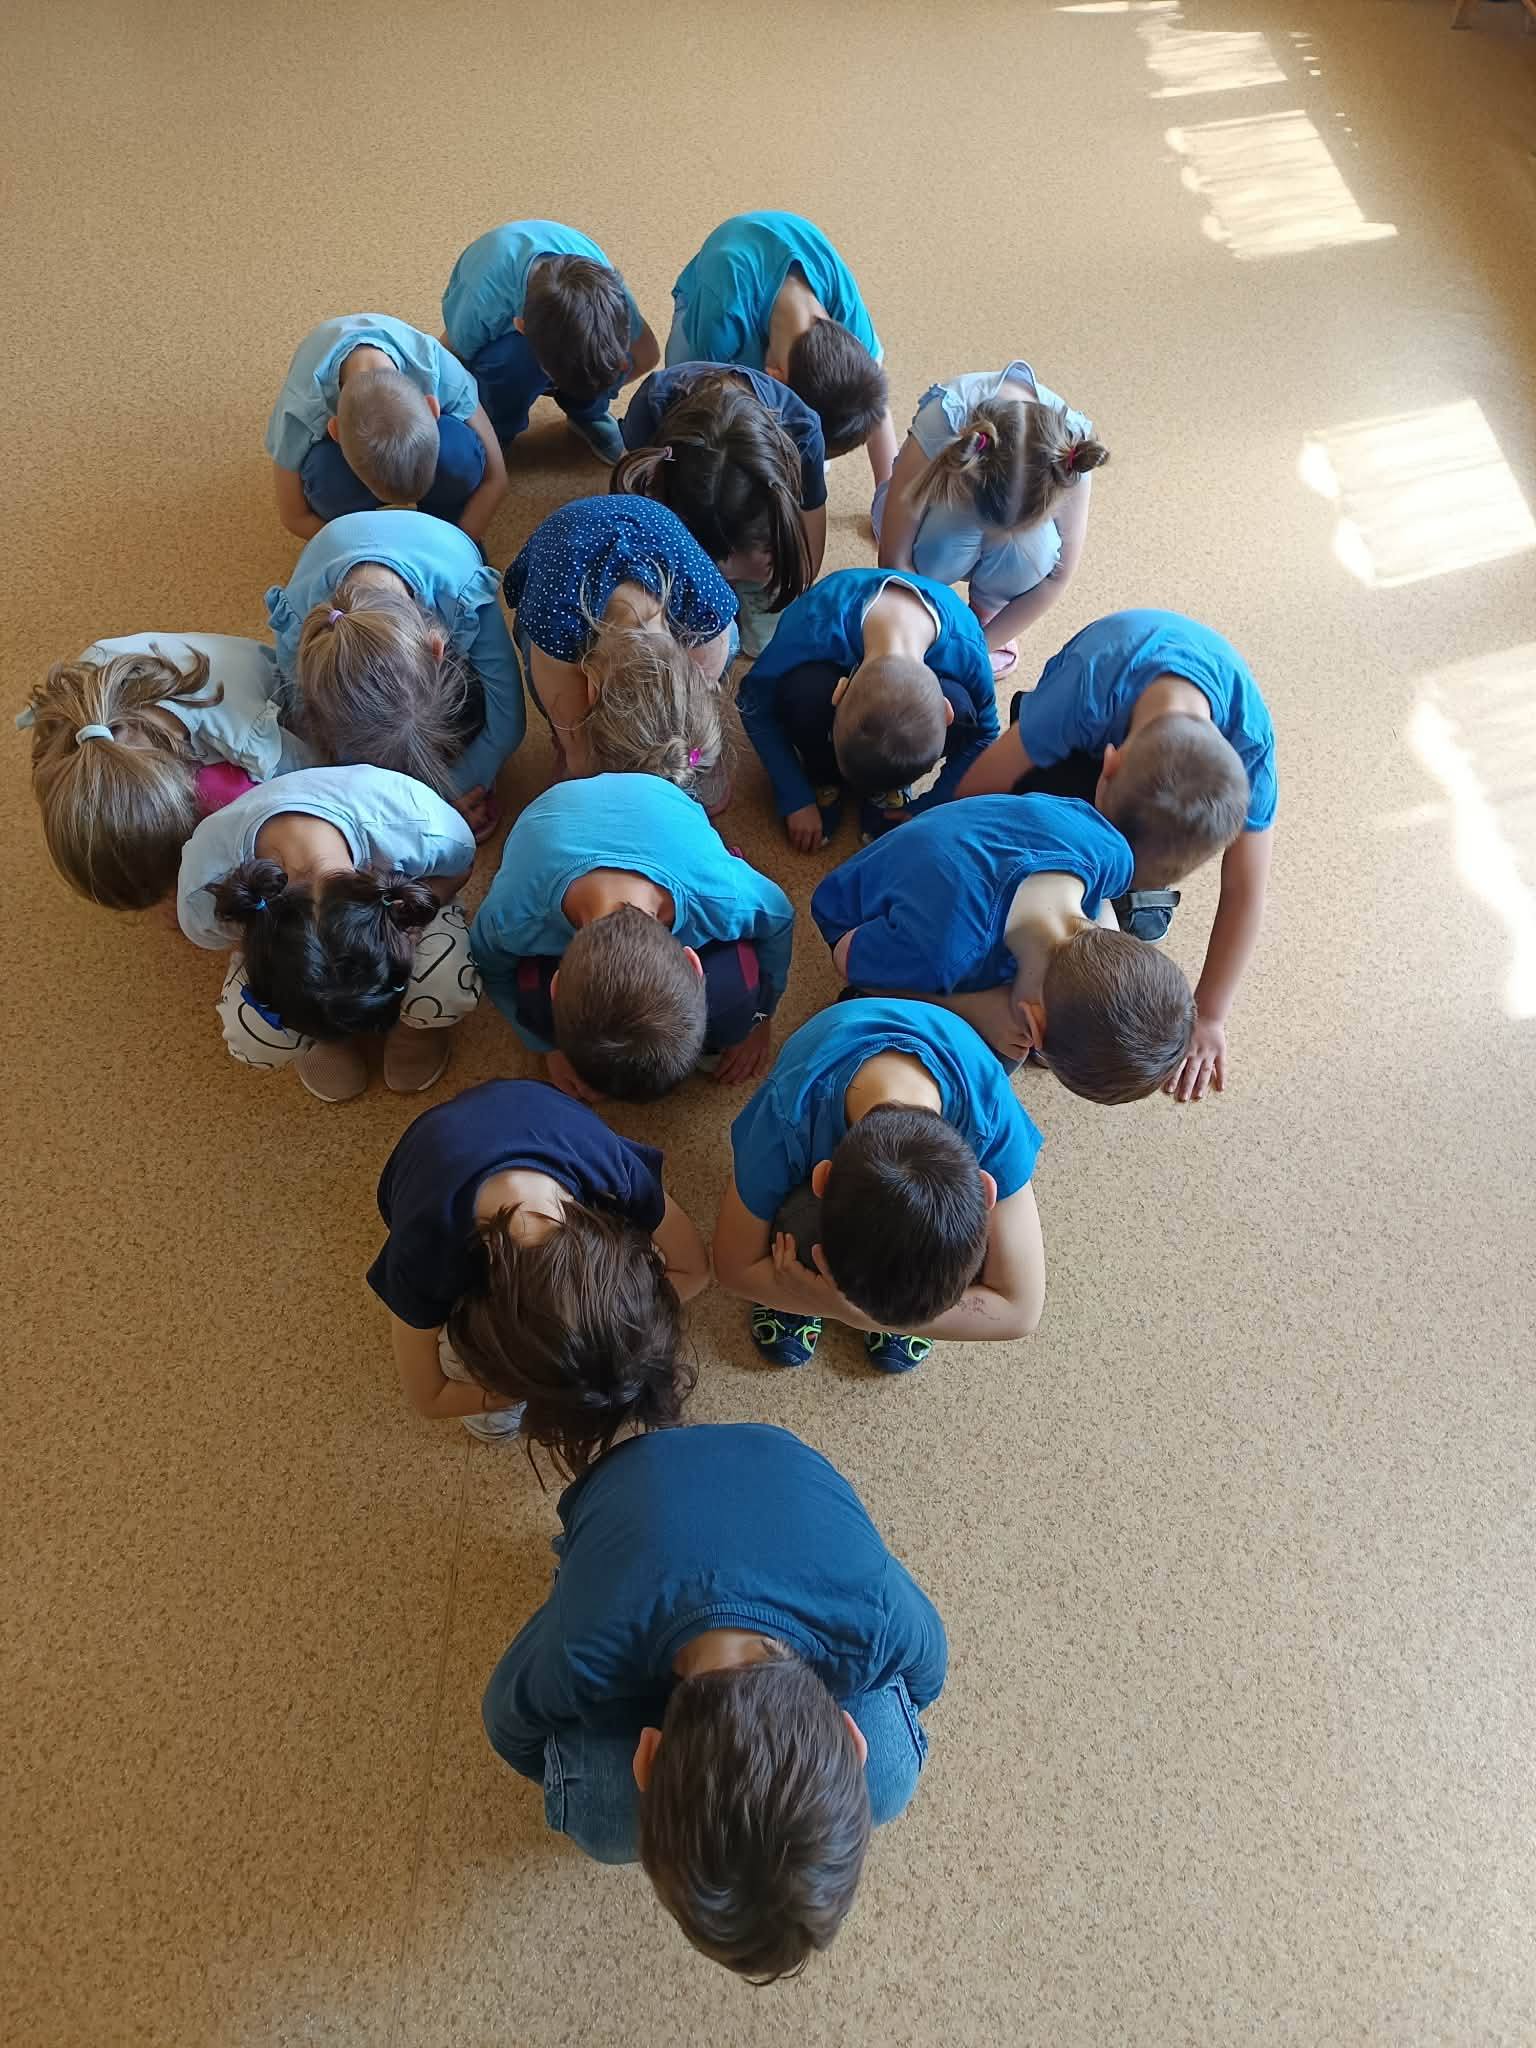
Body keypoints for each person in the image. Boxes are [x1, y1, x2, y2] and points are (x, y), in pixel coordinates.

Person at [482, 1421, 946, 1980]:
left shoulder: (876, 1618)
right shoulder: (588, 1644)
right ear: (643, 1757)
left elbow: (929, 1671)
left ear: (853, 1733)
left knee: (888, 1770)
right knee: (605, 1814)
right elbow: (507, 1725)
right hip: (637, 1485)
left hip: (766, 1467)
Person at [956, 610, 1275, 1102]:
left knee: (1126, 914)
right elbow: (976, 793)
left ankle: (1140, 887)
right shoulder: (1085, 693)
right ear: (1109, 766)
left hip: (1136, 757)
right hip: (1075, 738)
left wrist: (1210, 1014)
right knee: (1026, 819)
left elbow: (1245, 892)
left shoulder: (1251, 754)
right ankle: (1119, 874)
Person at [367, 1079, 708, 1453]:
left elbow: (695, 1270)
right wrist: (500, 1398)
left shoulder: (609, 1165)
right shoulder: (424, 1252)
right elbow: (429, 1397)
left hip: (528, 1113)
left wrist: (631, 1340)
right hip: (431, 1154)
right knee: (480, 1399)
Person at [712, 998, 1046, 1373]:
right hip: (822, 1074)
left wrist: (846, 1310)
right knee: (800, 1230)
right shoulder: (786, 1114)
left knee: (963, 1239)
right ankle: (888, 1297)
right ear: (986, 1189)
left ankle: (891, 1298)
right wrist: (836, 1305)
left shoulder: (992, 1110)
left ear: (987, 1187)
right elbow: (732, 1267)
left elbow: (1022, 1311)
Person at [811, 794, 1193, 1100]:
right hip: (853, 913)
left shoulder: (1112, 854)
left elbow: (1103, 905)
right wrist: (974, 1007)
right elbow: (845, 955)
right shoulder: (948, 954)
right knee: (999, 1058)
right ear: (1034, 1025)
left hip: (972, 848)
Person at [469, 773, 794, 1101]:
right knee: (533, 1009)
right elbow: (488, 965)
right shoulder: (509, 917)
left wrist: (762, 1017)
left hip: (656, 812)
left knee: (738, 1005)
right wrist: (545, 1046)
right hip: (564, 817)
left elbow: (781, 917)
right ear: (691, 962)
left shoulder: (724, 895)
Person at [176, 763, 479, 1102]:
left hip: (394, 893)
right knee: (254, 1032)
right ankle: (321, 1033)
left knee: (442, 974)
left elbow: (461, 867)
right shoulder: (202, 889)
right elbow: (226, 940)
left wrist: (418, 911)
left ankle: (412, 1031)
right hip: (289, 939)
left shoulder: (419, 826)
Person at [265, 510, 525, 834]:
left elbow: (508, 721)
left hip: (441, 542)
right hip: (343, 541)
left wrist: (452, 790)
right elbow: (307, 724)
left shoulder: (464, 596)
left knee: (474, 707)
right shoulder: (296, 623)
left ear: (439, 648)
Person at [19, 633, 315, 910]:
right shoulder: (79, 711)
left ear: (186, 783)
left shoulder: (250, 742)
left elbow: (314, 779)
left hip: (275, 701)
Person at [736, 566, 999, 851]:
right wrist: (794, 793)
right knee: (804, 690)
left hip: (882, 669)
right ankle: (824, 773)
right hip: (824, 660)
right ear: (839, 692)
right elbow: (753, 701)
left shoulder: (968, 647)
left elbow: (986, 733)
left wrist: (931, 803)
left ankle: (889, 782)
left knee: (967, 710)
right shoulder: (815, 621)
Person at [874, 360, 1107, 677]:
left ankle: (987, 612)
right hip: (928, 521)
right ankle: (930, 607)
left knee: (1037, 552)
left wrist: (977, 647)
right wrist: (917, 632)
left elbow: (1059, 575)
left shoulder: (1069, 452)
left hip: (971, 511)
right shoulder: (943, 420)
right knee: (943, 543)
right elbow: (894, 557)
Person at [501, 496, 736, 785]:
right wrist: (575, 745)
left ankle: (679, 758)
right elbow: (581, 763)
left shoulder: (709, 609)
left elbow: (697, 700)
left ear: (695, 674)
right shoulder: (553, 618)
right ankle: (562, 737)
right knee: (546, 686)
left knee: (731, 641)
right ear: (591, 688)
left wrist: (687, 755)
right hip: (564, 551)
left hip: (656, 538)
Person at [666, 212, 897, 486]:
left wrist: (887, 488)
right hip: (712, 290)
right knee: (685, 384)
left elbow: (872, 404)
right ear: (774, 376)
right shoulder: (720, 323)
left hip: (769, 263)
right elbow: (705, 406)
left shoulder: (848, 317)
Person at [617, 364, 823, 657]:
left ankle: (757, 579)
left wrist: (774, 573)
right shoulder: (651, 405)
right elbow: (635, 512)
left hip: (752, 531)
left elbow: (807, 563)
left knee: (769, 638)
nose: (728, 579)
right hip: (689, 503)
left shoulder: (804, 432)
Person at [265, 312, 507, 541]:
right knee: (328, 478)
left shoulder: (440, 369)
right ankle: (356, 519)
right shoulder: (299, 410)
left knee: (459, 454)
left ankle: (443, 517)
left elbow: (496, 479)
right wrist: (367, 547)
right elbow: (294, 516)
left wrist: (458, 543)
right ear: (334, 431)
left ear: (433, 407)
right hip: (327, 432)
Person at [441, 219, 660, 465]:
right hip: (501, 324)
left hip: (551, 323)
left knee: (607, 358)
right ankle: (498, 428)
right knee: (513, 361)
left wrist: (599, 386)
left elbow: (648, 354)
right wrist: (473, 421)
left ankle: (588, 413)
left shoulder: (615, 300)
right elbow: (448, 358)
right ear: (521, 326)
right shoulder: (482, 299)